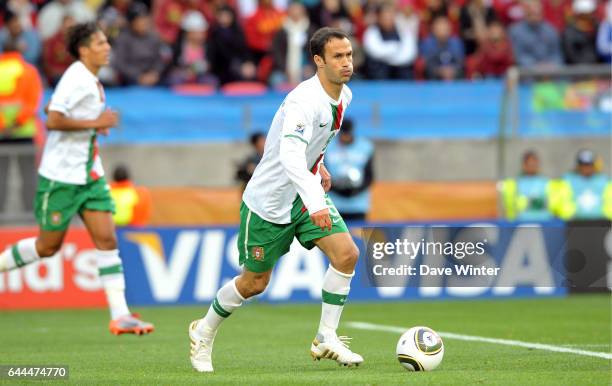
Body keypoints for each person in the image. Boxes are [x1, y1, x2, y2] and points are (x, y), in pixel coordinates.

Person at [189, 27, 363, 372]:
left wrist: (321, 164)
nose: (347, 63)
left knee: (347, 253)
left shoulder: (344, 97)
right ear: (318, 61)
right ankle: (203, 331)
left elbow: (314, 144)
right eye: (338, 57)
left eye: (349, 55)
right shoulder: (303, 101)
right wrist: (316, 202)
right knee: (254, 283)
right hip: (269, 202)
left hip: (303, 193)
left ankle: (326, 336)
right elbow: (289, 157)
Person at [0, 22, 154, 336]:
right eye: (99, 43)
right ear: (84, 50)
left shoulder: (90, 79)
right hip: (61, 178)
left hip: (89, 175)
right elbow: (53, 118)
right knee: (47, 247)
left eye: (106, 43)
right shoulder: (77, 77)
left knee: (107, 239)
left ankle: (120, 315)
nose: (107, 47)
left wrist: (93, 126)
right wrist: (96, 121)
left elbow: (52, 106)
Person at [0, 39, 43, 215]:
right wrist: (19, 121)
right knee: (28, 175)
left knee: (1, 175)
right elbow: (33, 102)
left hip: (1, 133)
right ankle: (30, 212)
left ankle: (1, 214)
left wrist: (3, 125)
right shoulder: (29, 71)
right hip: (24, 132)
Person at [324, 118, 374, 221]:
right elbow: (322, 174)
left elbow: (369, 176)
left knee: (358, 236)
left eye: (347, 134)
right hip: (334, 205)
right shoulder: (327, 147)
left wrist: (355, 191)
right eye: (343, 134)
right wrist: (338, 189)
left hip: (358, 205)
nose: (345, 137)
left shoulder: (365, 147)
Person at [500, 150, 557, 221]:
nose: (533, 166)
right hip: (522, 224)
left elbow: (551, 205)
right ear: (524, 165)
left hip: (544, 223)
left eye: (534, 164)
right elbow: (511, 210)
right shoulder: (516, 184)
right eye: (530, 164)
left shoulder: (546, 182)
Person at [557, 149, 612, 220]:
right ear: (578, 166)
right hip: (575, 223)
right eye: (583, 165)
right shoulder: (567, 181)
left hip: (601, 222)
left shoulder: (605, 181)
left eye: (589, 164)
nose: (586, 168)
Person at [509, 0, 563, 67]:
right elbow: (519, 56)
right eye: (531, 9)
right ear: (525, 10)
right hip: (527, 73)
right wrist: (537, 66)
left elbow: (557, 55)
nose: (535, 10)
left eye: (536, 8)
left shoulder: (551, 30)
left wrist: (551, 65)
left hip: (551, 72)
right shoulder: (516, 31)